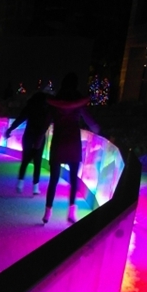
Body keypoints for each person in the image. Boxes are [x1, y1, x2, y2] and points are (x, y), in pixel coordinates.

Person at [43, 72, 98, 224]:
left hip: (58, 142)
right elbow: (90, 121)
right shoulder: (78, 102)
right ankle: (72, 211)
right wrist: (100, 131)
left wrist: (39, 137)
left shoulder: (55, 102)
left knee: (53, 179)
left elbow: (46, 121)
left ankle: (47, 212)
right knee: (74, 179)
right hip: (73, 143)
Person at [4, 85, 52, 195]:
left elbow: (20, 119)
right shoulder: (46, 109)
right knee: (37, 161)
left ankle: (20, 183)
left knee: (25, 160)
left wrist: (10, 129)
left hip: (28, 135)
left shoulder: (30, 107)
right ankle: (35, 187)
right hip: (39, 137)